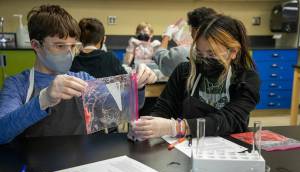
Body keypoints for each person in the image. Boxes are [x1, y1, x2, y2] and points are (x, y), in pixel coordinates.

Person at [0, 5, 156, 144]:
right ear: (36, 45)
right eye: (59, 45)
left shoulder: (82, 79)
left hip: (79, 164)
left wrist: (139, 85)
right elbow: (2, 133)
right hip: (34, 167)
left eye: (73, 46)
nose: (68, 53)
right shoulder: (18, 84)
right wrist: (44, 99)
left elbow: (125, 106)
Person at [132, 14, 260, 140]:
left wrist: (177, 127)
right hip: (187, 149)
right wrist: (146, 128)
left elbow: (230, 119)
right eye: (199, 53)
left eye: (212, 54)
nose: (204, 60)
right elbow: (163, 109)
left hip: (232, 151)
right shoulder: (184, 72)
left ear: (233, 52)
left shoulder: (246, 79)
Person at [153, 7, 217, 77]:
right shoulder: (221, 51)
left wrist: (167, 35)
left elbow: (159, 56)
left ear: (193, 30)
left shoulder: (185, 52)